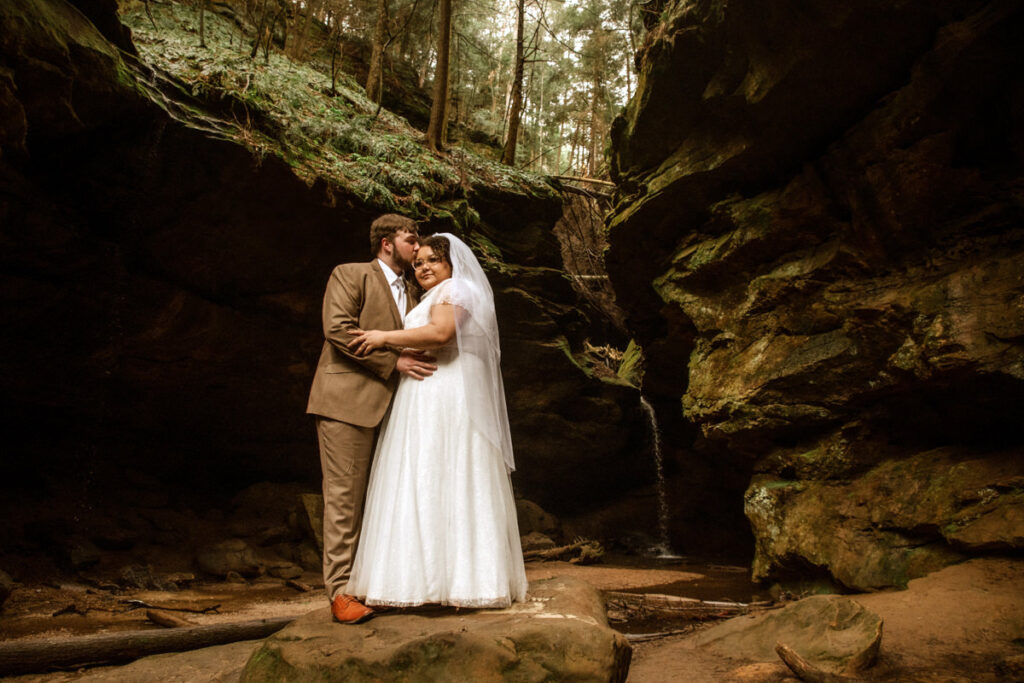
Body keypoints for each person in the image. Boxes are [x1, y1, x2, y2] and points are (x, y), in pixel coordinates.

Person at [345, 233, 527, 608]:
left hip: (447, 391)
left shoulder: (456, 289)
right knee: (426, 477)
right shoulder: (438, 293)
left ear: (451, 263)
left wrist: (383, 338)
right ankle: (423, 581)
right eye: (418, 262)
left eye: (432, 260)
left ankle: (461, 583)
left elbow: (441, 334)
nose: (424, 267)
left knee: (446, 473)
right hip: (431, 391)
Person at [306, 214, 439, 624]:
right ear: (386, 242)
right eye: (410, 239)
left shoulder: (418, 296)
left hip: (399, 413)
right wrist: (393, 360)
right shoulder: (351, 274)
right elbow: (339, 329)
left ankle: (377, 584)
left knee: (388, 500)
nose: (417, 249)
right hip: (347, 403)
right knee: (345, 499)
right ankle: (341, 593)